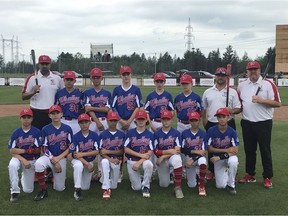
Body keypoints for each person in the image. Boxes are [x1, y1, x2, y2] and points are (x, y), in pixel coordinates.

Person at [237, 61, 281, 188]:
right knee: (249, 150)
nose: (253, 72)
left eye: (255, 69)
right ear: (247, 72)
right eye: (250, 70)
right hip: (247, 123)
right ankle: (250, 174)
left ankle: (267, 177)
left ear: (259, 70)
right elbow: (241, 104)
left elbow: (277, 103)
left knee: (265, 150)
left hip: (263, 123)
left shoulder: (268, 84)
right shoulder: (242, 85)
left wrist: (261, 100)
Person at [202, 67, 241, 181]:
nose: (220, 77)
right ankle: (212, 171)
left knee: (230, 146)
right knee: (211, 148)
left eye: (223, 75)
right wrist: (204, 121)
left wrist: (231, 111)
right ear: (215, 76)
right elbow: (203, 108)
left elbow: (239, 108)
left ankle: (232, 169)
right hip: (212, 122)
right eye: (218, 75)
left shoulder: (232, 92)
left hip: (228, 122)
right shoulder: (208, 92)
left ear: (226, 77)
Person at [33, 105, 73, 201]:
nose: (55, 115)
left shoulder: (67, 128)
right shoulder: (45, 129)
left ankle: (52, 176)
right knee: (38, 163)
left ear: (61, 114)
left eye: (57, 113)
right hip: (49, 157)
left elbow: (71, 146)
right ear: (49, 115)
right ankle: (43, 189)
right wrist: (53, 159)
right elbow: (44, 147)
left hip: (61, 158)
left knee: (60, 188)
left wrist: (58, 159)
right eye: (53, 113)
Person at [8, 108, 42, 202]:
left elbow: (37, 150)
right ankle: (14, 191)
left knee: (28, 190)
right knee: (12, 165)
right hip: (19, 159)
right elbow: (12, 151)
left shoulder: (36, 132)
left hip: (31, 160)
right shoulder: (16, 132)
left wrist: (20, 151)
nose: (26, 119)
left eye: (28, 117)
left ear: (32, 119)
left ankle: (24, 176)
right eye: (24, 117)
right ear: (20, 118)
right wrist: (23, 158)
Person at [22, 55, 64, 130]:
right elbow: (23, 96)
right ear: (39, 65)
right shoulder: (32, 78)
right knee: (36, 137)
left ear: (50, 65)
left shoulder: (57, 78)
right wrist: (33, 92)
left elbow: (64, 92)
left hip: (52, 113)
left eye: (46, 64)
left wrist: (77, 90)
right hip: (36, 112)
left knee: (51, 137)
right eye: (42, 64)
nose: (44, 66)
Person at [207, 108, 239, 195]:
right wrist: (226, 150)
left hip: (225, 157)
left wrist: (220, 156)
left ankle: (231, 185)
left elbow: (235, 150)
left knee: (233, 161)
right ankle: (227, 173)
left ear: (228, 118)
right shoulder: (211, 130)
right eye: (219, 117)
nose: (221, 119)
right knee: (220, 186)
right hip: (218, 159)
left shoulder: (232, 132)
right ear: (217, 118)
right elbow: (209, 148)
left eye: (223, 117)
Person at [154, 110, 184, 199]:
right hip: (162, 160)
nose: (166, 121)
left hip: (169, 158)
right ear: (161, 120)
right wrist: (169, 151)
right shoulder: (156, 134)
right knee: (164, 184)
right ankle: (170, 174)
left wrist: (163, 155)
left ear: (171, 120)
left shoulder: (176, 133)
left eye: (168, 119)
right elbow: (155, 151)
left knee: (177, 159)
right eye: (164, 119)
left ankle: (178, 187)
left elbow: (177, 150)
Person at [69, 113, 99, 201]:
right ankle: (77, 190)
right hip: (77, 160)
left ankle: (81, 180)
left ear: (90, 123)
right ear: (79, 124)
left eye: (86, 122)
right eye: (81, 122)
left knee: (85, 187)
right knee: (78, 166)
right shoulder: (75, 136)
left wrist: (83, 154)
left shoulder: (94, 135)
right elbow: (75, 155)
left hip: (88, 160)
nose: (84, 124)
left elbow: (97, 151)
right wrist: (87, 164)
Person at [124, 110, 154, 198]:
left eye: (142, 119)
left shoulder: (149, 134)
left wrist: (139, 162)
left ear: (146, 120)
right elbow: (126, 149)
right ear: (135, 121)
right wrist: (140, 155)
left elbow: (150, 151)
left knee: (149, 164)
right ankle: (138, 180)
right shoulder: (130, 132)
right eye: (139, 119)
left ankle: (146, 186)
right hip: (132, 161)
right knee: (136, 188)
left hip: (144, 160)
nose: (141, 121)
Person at [98, 111, 125, 200]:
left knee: (114, 186)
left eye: (114, 121)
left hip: (117, 161)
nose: (113, 123)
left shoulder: (122, 134)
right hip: (107, 159)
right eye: (111, 121)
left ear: (117, 121)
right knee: (105, 162)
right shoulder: (102, 134)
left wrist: (108, 152)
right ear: (107, 121)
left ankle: (105, 180)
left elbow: (122, 152)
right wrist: (110, 158)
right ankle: (106, 188)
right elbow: (101, 152)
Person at [181, 112, 207, 196]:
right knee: (191, 185)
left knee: (203, 161)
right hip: (188, 158)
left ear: (199, 120)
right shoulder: (184, 133)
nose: (194, 122)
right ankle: (196, 175)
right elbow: (182, 149)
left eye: (195, 120)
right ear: (189, 121)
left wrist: (193, 159)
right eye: (192, 120)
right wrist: (194, 151)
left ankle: (202, 186)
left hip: (199, 158)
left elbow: (203, 151)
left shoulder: (203, 133)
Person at [111, 65, 142, 132]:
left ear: (131, 75)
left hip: (132, 121)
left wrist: (129, 121)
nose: (126, 76)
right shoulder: (116, 90)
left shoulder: (136, 89)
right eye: (124, 74)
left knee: (133, 141)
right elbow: (113, 107)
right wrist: (121, 120)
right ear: (121, 76)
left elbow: (138, 107)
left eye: (127, 74)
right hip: (119, 121)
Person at [84, 68, 111, 135]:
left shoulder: (107, 93)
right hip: (91, 122)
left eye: (98, 77)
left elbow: (107, 109)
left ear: (102, 78)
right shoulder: (87, 92)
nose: (96, 79)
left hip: (104, 121)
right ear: (91, 78)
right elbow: (87, 109)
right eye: (94, 77)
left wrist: (92, 108)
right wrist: (97, 122)